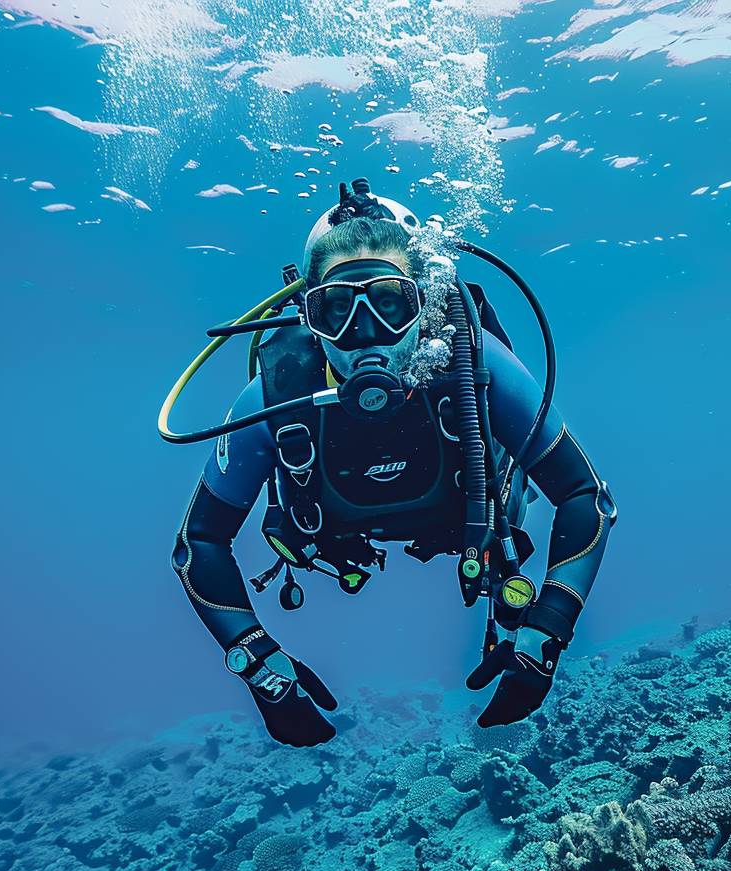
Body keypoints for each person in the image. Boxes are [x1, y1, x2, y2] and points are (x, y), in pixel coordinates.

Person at [168, 180, 617, 746]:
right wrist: (257, 664)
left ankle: (507, 615)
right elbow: (199, 543)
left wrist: (548, 626)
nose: (363, 336)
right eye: (336, 309)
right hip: (337, 544)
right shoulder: (277, 394)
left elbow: (585, 497)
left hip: (473, 524)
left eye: (388, 303)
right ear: (309, 318)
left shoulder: (472, 366)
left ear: (422, 304)